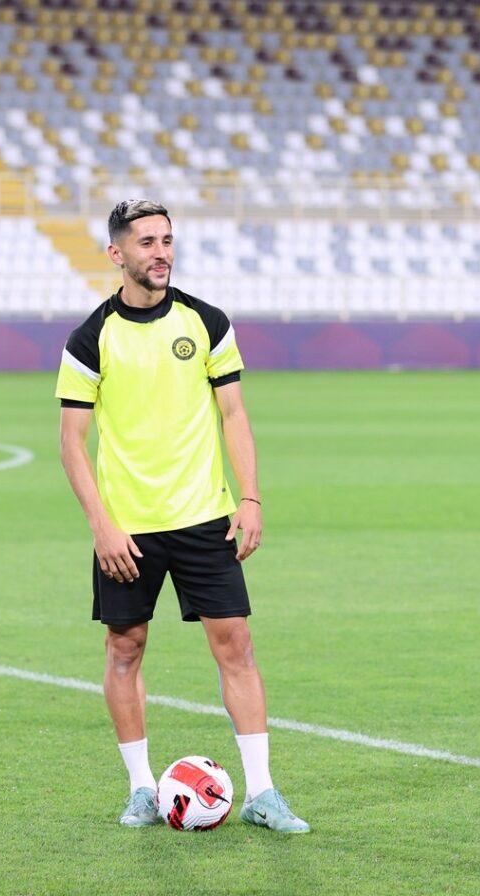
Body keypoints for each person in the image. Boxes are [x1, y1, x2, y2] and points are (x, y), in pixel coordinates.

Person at [56, 199, 309, 832]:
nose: (161, 252)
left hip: (204, 517)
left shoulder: (207, 321)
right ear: (117, 254)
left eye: (167, 240)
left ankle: (263, 793)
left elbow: (234, 414)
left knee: (237, 645)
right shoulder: (91, 337)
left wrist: (250, 497)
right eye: (146, 242)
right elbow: (71, 442)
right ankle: (141, 789)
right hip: (128, 528)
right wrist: (101, 525)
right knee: (125, 648)